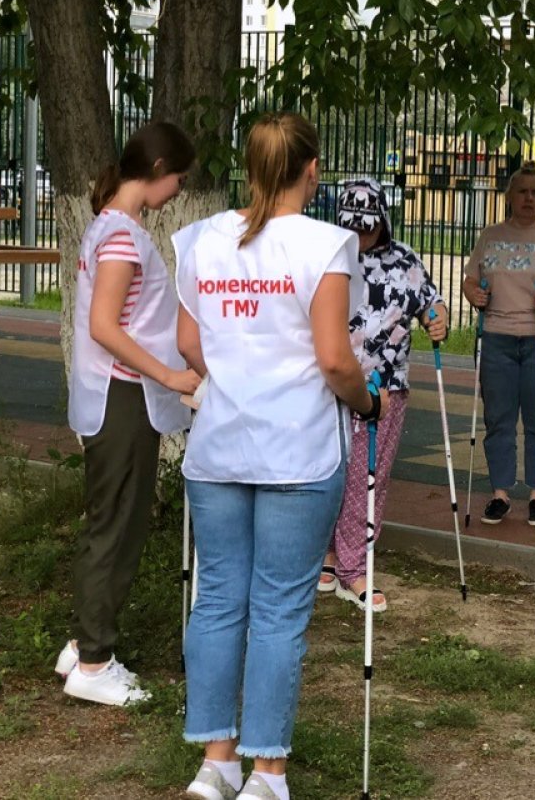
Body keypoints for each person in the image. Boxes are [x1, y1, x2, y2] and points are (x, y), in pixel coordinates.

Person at [173, 112, 383, 800]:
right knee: (279, 610)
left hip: (220, 443)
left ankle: (215, 761)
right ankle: (267, 772)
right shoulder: (325, 244)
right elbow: (334, 358)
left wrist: (238, 373)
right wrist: (366, 403)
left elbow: (190, 345)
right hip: (297, 448)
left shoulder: (202, 239)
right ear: (312, 169)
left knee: (218, 601)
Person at [57, 122, 201, 706]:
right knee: (117, 525)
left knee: (112, 520)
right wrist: (168, 374)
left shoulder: (114, 225)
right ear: (160, 167)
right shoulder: (121, 235)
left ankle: (83, 643)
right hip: (123, 398)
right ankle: (94, 662)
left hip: (119, 397)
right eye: (180, 179)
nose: (179, 189)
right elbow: (103, 326)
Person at [318, 178, 448, 613]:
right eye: (351, 226)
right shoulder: (325, 253)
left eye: (367, 227)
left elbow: (431, 301)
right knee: (327, 469)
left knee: (367, 477)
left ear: (382, 221)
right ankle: (328, 556)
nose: (359, 236)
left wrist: (436, 318)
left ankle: (354, 569)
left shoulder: (404, 260)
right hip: (329, 381)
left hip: (385, 386)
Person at [461, 161, 535, 527]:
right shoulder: (490, 235)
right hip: (496, 335)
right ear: (509, 195)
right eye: (522, 191)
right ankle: (500, 493)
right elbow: (470, 280)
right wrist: (474, 297)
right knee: (498, 418)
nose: (529, 198)